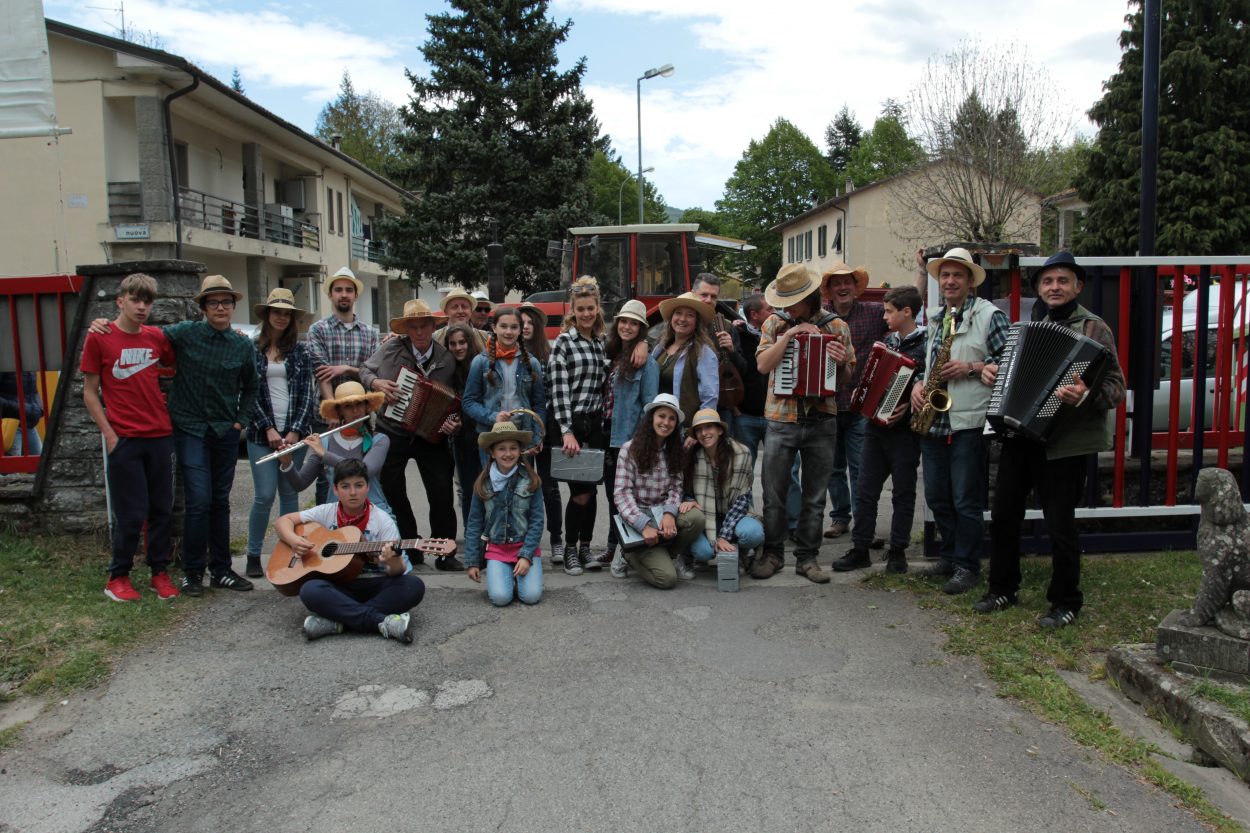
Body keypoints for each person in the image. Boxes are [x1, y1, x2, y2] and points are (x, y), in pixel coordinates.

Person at [975, 251, 1126, 627]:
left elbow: (1116, 386)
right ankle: (1002, 588)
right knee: (1005, 515)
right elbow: (1007, 375)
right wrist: (993, 373)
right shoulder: (1028, 326)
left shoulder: (1095, 329)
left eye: (1062, 281)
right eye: (1047, 281)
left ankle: (1065, 601)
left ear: (1078, 286)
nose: (1054, 287)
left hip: (1065, 442)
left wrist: (1086, 396)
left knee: (1061, 523)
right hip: (1021, 434)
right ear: (1039, 288)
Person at [909, 247, 1011, 595]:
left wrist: (971, 368)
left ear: (970, 281)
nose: (950, 281)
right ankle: (950, 557)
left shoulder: (990, 316)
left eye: (957, 275)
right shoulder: (938, 318)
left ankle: (968, 566)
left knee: (966, 500)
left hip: (968, 421)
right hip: (934, 420)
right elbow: (927, 364)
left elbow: (1010, 364)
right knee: (938, 497)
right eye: (946, 276)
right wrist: (920, 384)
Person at [752, 264, 854, 583]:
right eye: (783, 300)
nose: (786, 306)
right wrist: (791, 335)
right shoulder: (774, 322)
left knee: (815, 496)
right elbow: (763, 365)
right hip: (781, 419)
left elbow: (847, 376)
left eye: (792, 300)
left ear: (809, 297)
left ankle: (807, 559)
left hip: (822, 419)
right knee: (774, 494)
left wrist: (839, 362)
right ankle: (772, 554)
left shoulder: (835, 325)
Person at [81, 273, 179, 601]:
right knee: (132, 513)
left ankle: (159, 573)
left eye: (147, 301)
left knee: (161, 510)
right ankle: (117, 577)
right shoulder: (100, 337)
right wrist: (109, 433)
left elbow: (173, 363)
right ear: (120, 301)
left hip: (159, 435)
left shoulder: (155, 337)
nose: (141, 307)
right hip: (124, 439)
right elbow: (90, 393)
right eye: (135, 300)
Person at [360, 299, 463, 571]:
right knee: (393, 490)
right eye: (413, 327)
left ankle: (445, 551)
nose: (419, 332)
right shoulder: (391, 348)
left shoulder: (445, 358)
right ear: (406, 329)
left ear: (432, 326)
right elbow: (364, 370)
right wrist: (376, 383)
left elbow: (455, 401)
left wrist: (453, 422)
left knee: (441, 492)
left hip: (430, 437)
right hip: (392, 431)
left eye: (424, 326)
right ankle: (410, 547)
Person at [274, 460, 424, 643]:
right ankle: (380, 621)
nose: (353, 492)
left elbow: (397, 571)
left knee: (413, 586)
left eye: (359, 485)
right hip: (339, 587)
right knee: (309, 590)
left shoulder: (382, 520)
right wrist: (294, 540)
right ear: (335, 489)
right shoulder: (326, 512)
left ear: (368, 487)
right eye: (345, 486)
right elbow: (284, 521)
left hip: (375, 585)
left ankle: (338, 621)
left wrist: (392, 560)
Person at [832, 286, 927, 575]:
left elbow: (929, 385)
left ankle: (898, 551)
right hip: (875, 427)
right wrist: (865, 392)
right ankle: (860, 548)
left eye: (889, 311)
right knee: (865, 490)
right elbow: (874, 375)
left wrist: (908, 408)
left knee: (903, 492)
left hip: (905, 432)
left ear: (906, 312)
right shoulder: (887, 341)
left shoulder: (927, 343)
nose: (884, 316)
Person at [243, 288, 315, 578]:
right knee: (263, 495)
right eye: (277, 312)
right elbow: (249, 394)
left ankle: (289, 552)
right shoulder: (252, 350)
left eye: (287, 313)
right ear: (268, 315)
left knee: (290, 496)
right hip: (262, 435)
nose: (282, 317)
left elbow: (307, 396)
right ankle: (252, 553)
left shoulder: (301, 351)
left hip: (293, 435)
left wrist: (296, 431)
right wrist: (268, 428)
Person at [548, 276, 610, 576]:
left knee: (592, 490)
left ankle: (587, 548)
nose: (586, 313)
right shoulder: (563, 343)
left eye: (591, 308)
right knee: (579, 493)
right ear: (573, 311)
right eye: (580, 309)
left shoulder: (599, 343)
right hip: (572, 423)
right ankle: (570, 548)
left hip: (595, 423)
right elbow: (559, 389)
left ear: (598, 309)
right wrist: (566, 430)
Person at [821, 263, 886, 540]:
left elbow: (908, 309)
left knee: (860, 466)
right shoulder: (820, 318)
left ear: (855, 287)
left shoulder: (873, 313)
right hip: (828, 404)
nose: (843, 287)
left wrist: (920, 272)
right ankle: (839, 518)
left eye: (848, 282)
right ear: (830, 290)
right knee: (833, 468)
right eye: (837, 283)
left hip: (861, 403)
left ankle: (863, 520)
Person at [613, 394, 705, 588]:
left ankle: (671, 555)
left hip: (661, 511)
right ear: (651, 418)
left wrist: (670, 513)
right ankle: (627, 553)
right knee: (667, 579)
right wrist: (643, 525)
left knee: (696, 519)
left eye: (672, 419)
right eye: (662, 416)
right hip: (638, 515)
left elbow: (675, 487)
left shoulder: (675, 450)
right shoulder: (629, 450)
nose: (666, 422)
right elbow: (622, 494)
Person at [306, 267, 380, 503]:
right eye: (339, 290)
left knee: (359, 471)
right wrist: (333, 410)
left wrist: (347, 369)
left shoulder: (369, 332)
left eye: (349, 290)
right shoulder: (318, 329)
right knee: (326, 473)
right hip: (328, 413)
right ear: (331, 295)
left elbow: (373, 371)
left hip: (359, 411)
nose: (344, 294)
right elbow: (322, 371)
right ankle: (324, 526)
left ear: (355, 296)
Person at [602, 300, 660, 576]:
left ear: (641, 329)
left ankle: (626, 551)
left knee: (625, 498)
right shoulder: (612, 351)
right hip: (606, 435)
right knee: (612, 496)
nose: (627, 326)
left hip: (628, 439)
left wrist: (639, 442)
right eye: (624, 321)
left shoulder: (646, 362)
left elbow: (650, 406)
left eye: (633, 323)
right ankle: (615, 545)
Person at [463, 420, 545, 606]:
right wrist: (472, 561)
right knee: (500, 598)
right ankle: (503, 572)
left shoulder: (532, 480)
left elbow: (537, 521)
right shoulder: (482, 484)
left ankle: (522, 572)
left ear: (520, 451)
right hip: (497, 549)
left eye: (513, 448)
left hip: (524, 547)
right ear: (492, 452)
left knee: (531, 597)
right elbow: (474, 523)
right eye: (501, 449)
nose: (508, 454)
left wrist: (526, 556)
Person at [281, 380, 392, 514]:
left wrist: (325, 455)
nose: (355, 410)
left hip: (374, 513)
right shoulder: (325, 442)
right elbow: (300, 484)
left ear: (366, 406)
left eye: (359, 404)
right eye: (348, 406)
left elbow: (364, 471)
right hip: (337, 516)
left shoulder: (379, 440)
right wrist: (287, 464)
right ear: (340, 411)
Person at [461, 307, 547, 460]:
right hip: (491, 436)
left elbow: (539, 404)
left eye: (514, 327)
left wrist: (537, 436)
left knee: (523, 483)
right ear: (494, 327)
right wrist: (493, 416)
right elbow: (468, 402)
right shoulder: (481, 362)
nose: (509, 332)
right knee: (493, 482)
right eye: (503, 326)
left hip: (522, 435)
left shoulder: (532, 363)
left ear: (520, 329)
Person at [683, 409, 763, 569]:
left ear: (720, 430)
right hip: (706, 517)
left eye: (709, 427)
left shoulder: (741, 453)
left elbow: (742, 500)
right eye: (699, 430)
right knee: (703, 552)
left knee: (752, 534)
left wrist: (723, 537)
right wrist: (689, 500)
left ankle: (740, 551)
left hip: (736, 514)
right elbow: (685, 489)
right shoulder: (693, 455)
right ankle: (703, 551)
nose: (704, 433)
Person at [519, 303, 565, 563]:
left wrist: (540, 433)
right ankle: (527, 542)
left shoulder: (548, 355)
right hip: (517, 434)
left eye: (529, 322)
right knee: (523, 487)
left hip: (545, 431)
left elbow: (549, 398)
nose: (525, 326)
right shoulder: (509, 355)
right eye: (521, 322)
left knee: (550, 487)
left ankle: (556, 539)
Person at [652, 291, 719, 437]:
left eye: (690, 315)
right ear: (671, 317)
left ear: (697, 322)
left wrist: (697, 432)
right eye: (678, 313)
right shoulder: (661, 347)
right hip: (657, 427)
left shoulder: (703, 352)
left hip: (683, 431)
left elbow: (710, 398)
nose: (682, 319)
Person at [690, 273, 748, 427]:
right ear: (692, 293)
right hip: (684, 403)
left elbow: (743, 370)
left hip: (719, 408)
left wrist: (732, 351)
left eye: (713, 296)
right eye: (704, 295)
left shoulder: (726, 327)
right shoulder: (679, 322)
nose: (709, 300)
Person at [445, 322, 485, 529]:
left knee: (486, 489)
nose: (458, 347)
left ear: (470, 343)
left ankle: (488, 539)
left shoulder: (481, 365)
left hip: (483, 436)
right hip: (461, 439)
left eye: (462, 342)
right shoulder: (446, 369)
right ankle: (472, 538)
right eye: (453, 344)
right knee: (468, 491)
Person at [731, 293, 771, 467]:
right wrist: (735, 410)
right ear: (754, 314)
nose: (775, 313)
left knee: (786, 472)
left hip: (774, 416)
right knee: (743, 469)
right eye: (770, 309)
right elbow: (729, 373)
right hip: (745, 416)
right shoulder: (738, 335)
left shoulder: (778, 335)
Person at [0, 371, 44, 456]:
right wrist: (20, 410)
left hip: (28, 422)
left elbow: (33, 391)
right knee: (13, 466)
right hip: (10, 424)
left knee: (39, 464)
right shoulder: (4, 361)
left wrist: (38, 408)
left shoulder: (27, 362)